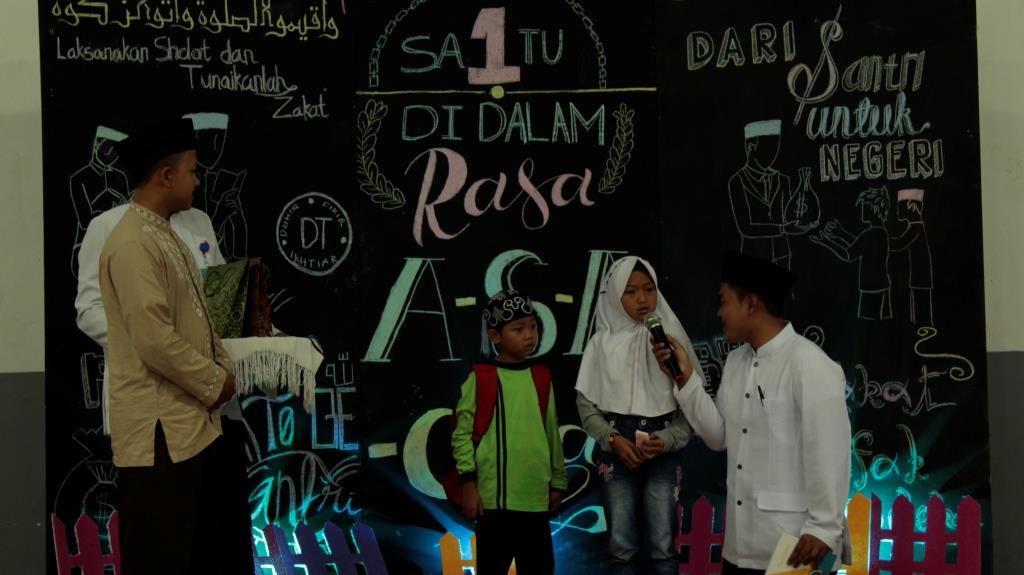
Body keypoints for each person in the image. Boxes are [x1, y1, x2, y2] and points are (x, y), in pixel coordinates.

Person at [98, 118, 240, 574]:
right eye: (192, 171)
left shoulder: (162, 232)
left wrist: (225, 367)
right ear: (165, 175)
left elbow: (197, 319)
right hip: (159, 434)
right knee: (159, 558)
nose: (197, 181)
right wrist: (216, 381)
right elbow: (154, 341)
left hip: (188, 428)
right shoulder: (133, 243)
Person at [653, 252, 851, 574]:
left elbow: (829, 450)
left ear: (750, 304)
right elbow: (718, 437)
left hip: (793, 545)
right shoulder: (736, 362)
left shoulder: (809, 364)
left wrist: (824, 528)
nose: (719, 312)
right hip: (738, 546)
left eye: (724, 301)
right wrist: (685, 379)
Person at [575, 256, 701, 575]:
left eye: (649, 289)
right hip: (616, 451)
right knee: (621, 545)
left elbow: (694, 405)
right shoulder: (600, 345)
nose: (642, 299)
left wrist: (668, 439)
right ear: (614, 296)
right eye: (630, 292)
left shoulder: (671, 341)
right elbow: (587, 406)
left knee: (663, 544)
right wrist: (612, 439)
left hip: (663, 450)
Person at [452, 290, 567, 574]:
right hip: (493, 505)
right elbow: (461, 434)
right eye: (518, 329)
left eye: (533, 326)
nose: (529, 335)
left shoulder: (541, 377)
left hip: (535, 501)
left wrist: (557, 481)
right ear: (495, 336)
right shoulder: (481, 377)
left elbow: (551, 433)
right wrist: (468, 485)